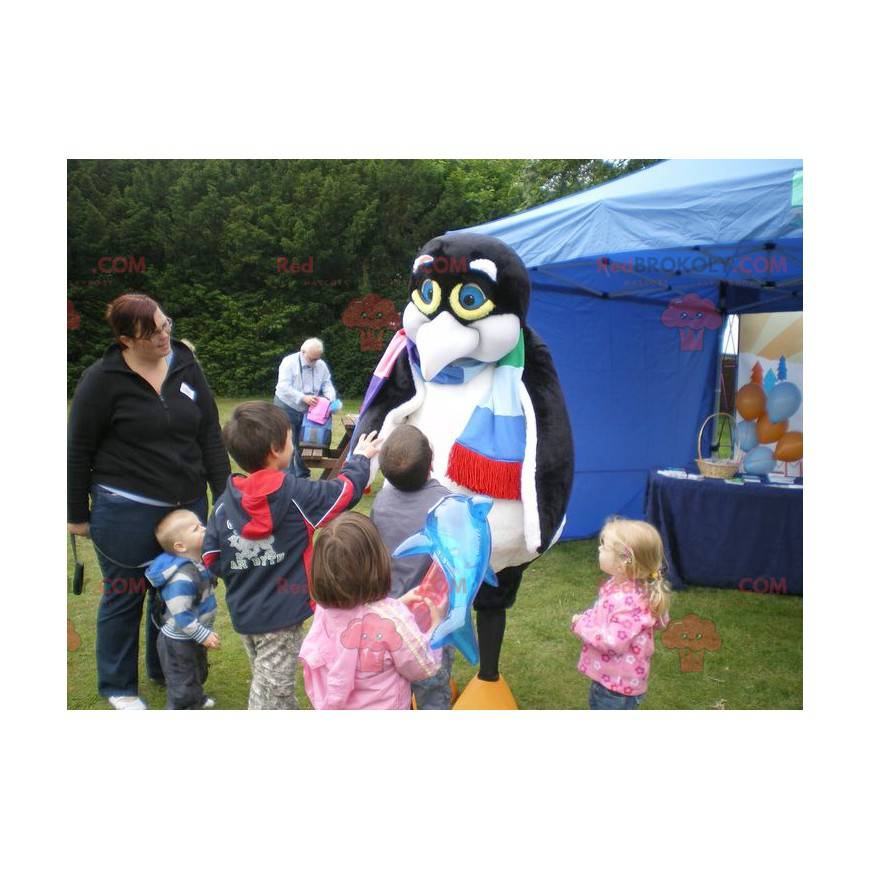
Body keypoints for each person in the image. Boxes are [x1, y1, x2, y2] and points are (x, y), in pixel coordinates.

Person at [67, 293, 230, 710]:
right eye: (152, 332)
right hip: (125, 510)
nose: (163, 335)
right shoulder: (101, 380)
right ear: (125, 339)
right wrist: (76, 514)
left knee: (177, 591)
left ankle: (167, 670)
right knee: (125, 594)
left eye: (165, 324)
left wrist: (225, 495)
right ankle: (119, 687)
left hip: (186, 508)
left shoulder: (186, 364)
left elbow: (210, 434)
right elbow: (78, 449)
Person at [203, 401, 381, 709]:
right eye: (290, 436)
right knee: (270, 694)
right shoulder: (298, 495)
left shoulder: (223, 504)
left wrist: (245, 570)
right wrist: (361, 459)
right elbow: (344, 492)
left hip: (244, 612)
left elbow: (211, 557)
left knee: (271, 683)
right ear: (276, 449)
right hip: (282, 618)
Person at [299, 512, 446, 710]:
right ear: (377, 560)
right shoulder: (393, 619)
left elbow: (359, 621)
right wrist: (437, 627)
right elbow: (423, 665)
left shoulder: (324, 612)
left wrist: (398, 605)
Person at [370, 424, 456, 709]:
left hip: (391, 614)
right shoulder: (446, 504)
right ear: (432, 462)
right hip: (431, 622)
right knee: (432, 689)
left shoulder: (381, 502)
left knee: (394, 687)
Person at [571, 518, 671, 710]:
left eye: (604, 546)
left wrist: (580, 625)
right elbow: (604, 613)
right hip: (615, 679)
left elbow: (612, 643)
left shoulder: (628, 602)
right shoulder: (624, 586)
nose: (599, 548)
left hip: (615, 687)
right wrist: (588, 617)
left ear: (624, 562)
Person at [146, 509, 220, 710]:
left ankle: (197, 697)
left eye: (201, 525)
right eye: (196, 529)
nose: (203, 529)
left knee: (197, 670)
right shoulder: (182, 578)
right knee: (182, 679)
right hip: (178, 640)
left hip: (192, 635)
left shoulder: (198, 563)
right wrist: (203, 634)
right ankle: (183, 706)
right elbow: (181, 615)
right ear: (180, 546)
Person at [273, 337, 336, 478]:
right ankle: (288, 478)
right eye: (311, 359)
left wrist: (329, 399)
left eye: (317, 359)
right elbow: (283, 387)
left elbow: (327, 384)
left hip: (308, 411)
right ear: (302, 352)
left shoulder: (321, 365)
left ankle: (302, 475)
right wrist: (303, 397)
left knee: (303, 443)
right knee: (287, 444)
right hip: (286, 406)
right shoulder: (288, 362)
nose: (314, 362)